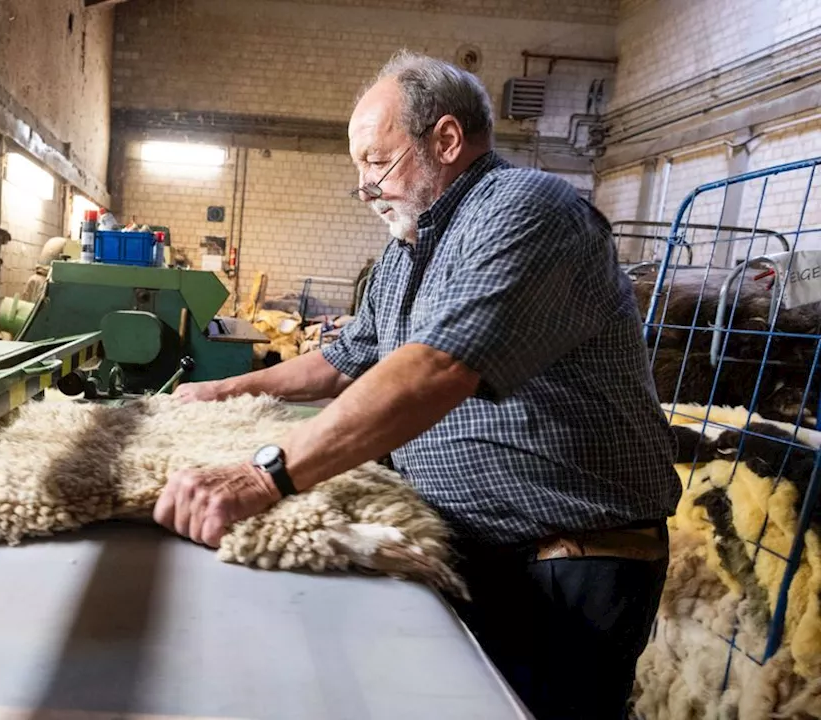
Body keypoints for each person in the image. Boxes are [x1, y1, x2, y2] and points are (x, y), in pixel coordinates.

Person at [152, 49, 681, 720]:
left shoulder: (526, 212)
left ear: (448, 141)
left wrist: (263, 477)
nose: (368, 188)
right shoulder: (407, 254)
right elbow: (343, 362)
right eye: (360, 171)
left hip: (569, 561)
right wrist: (220, 394)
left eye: (377, 162)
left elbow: (438, 367)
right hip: (475, 549)